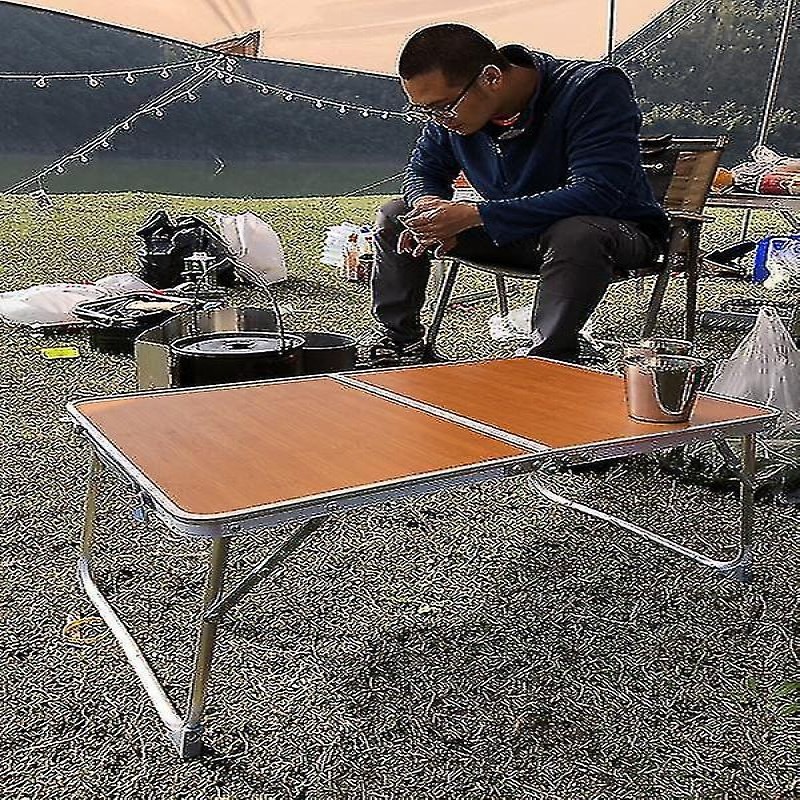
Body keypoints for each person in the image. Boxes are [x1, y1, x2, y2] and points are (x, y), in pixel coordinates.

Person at [367, 23, 670, 367]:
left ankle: (546, 362)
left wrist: (477, 215)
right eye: (425, 111)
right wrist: (428, 207)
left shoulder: (590, 87)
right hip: (515, 231)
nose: (438, 120)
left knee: (576, 232)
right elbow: (423, 170)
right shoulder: (452, 116)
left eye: (443, 107)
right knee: (397, 214)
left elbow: (598, 192)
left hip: (611, 233)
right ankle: (401, 345)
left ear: (491, 77)